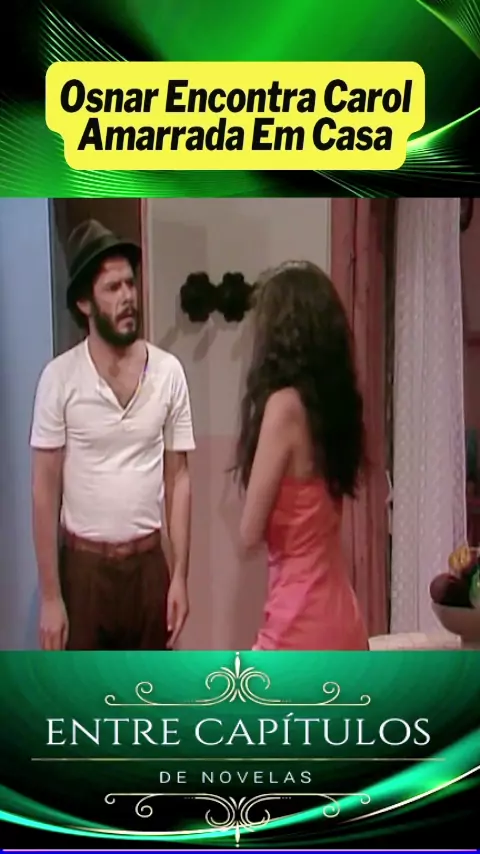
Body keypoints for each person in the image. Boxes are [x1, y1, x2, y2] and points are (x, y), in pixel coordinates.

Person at [30, 219, 195, 651]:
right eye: (112, 288)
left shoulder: (168, 372)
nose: (127, 297)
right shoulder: (59, 379)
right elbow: (44, 488)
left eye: (130, 284)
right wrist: (50, 596)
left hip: (147, 567)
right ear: (85, 302)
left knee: (150, 691)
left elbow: (178, 478)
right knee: (84, 692)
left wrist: (180, 575)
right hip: (84, 570)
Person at [233, 260, 369, 651]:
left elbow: (248, 534)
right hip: (344, 618)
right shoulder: (331, 408)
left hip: (300, 620)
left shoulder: (284, 409)